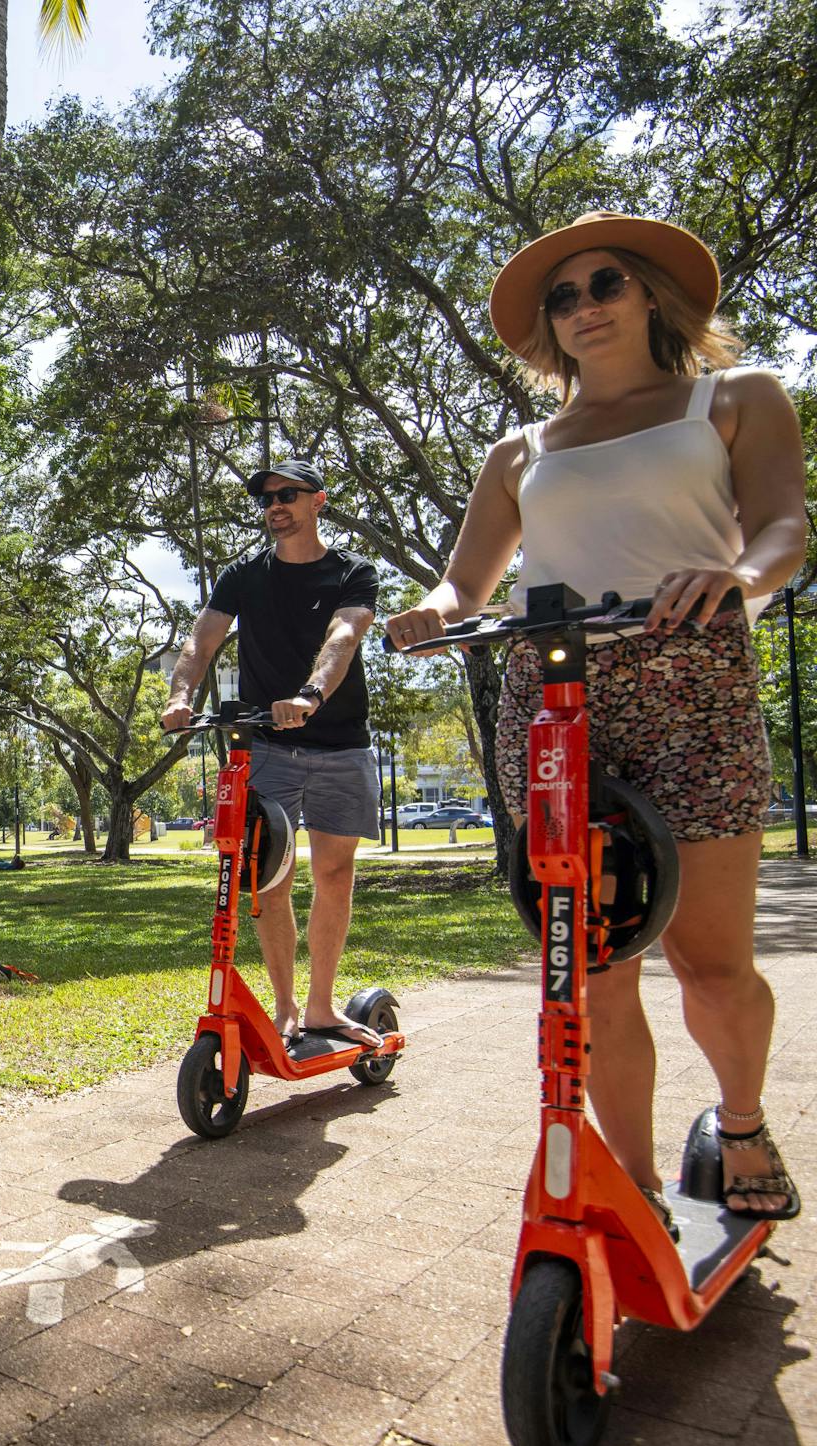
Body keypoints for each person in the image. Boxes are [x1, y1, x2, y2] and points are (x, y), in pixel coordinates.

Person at [383, 211, 806, 1219]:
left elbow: (784, 525)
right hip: (552, 695)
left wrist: (738, 573)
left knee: (708, 962)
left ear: (650, 293)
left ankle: (740, 1125)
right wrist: (429, 616)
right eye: (560, 299)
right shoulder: (517, 449)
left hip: (689, 679)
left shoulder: (730, 398)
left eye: (601, 283)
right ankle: (637, 1186)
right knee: (591, 962)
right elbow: (463, 582)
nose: (581, 307)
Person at [163, 458, 382, 1046]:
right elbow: (201, 639)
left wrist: (308, 695)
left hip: (340, 745)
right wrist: (182, 694)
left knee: (335, 874)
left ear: (320, 501)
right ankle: (286, 1007)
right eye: (267, 498)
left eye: (288, 494)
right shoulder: (244, 574)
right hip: (266, 748)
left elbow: (344, 636)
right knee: (269, 879)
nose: (275, 505)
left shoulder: (352, 572)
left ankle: (320, 1006)